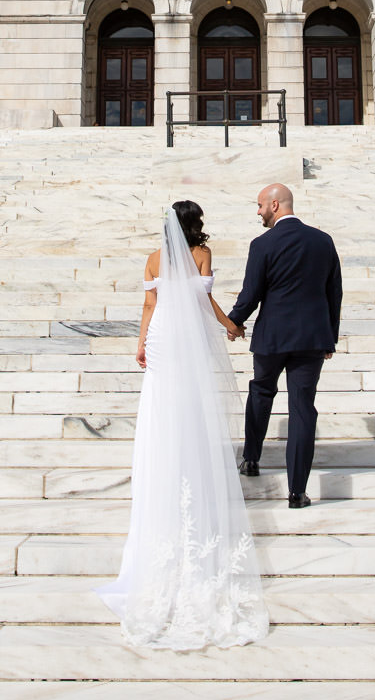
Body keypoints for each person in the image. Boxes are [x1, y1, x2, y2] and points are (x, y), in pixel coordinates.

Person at [95, 199, 269, 649]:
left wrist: (140, 343)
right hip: (186, 337)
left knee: (162, 404)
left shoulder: (154, 258)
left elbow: (149, 304)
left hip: (161, 335)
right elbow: (203, 300)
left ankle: (166, 467)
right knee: (191, 404)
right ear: (195, 224)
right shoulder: (201, 254)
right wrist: (231, 325)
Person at [228, 183, 342, 509]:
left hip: (273, 336)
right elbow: (334, 292)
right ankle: (297, 492)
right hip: (311, 337)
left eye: (260, 205)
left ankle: (251, 458)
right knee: (302, 408)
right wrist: (330, 337)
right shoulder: (322, 241)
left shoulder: (262, 244)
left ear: (275, 205)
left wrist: (235, 321)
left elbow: (252, 293)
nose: (259, 212)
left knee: (261, 392)